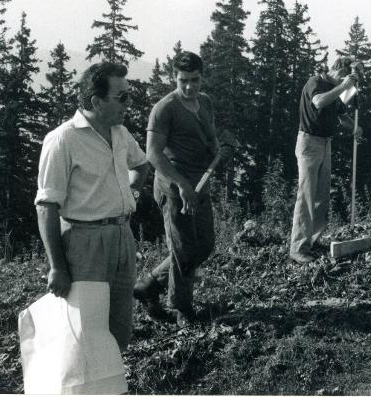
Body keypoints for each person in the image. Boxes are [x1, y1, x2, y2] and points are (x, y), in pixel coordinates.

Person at [35, 62, 149, 352]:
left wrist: (129, 190)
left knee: (120, 328)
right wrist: (57, 267)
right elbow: (47, 206)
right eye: (122, 97)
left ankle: (113, 376)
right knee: (84, 331)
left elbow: (141, 164)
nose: (129, 103)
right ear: (96, 101)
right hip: (84, 243)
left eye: (129, 95)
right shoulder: (63, 140)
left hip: (123, 237)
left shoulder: (120, 133)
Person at [133, 51, 232, 326]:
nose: (189, 86)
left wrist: (221, 151)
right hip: (173, 188)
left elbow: (210, 140)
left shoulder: (205, 102)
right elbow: (153, 154)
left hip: (200, 185)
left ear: (202, 77)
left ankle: (149, 285)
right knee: (185, 249)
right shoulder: (164, 109)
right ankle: (181, 309)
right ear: (174, 77)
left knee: (205, 245)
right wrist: (182, 184)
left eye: (194, 80)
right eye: (183, 80)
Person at [290, 57, 364, 264]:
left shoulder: (336, 88)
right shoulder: (316, 82)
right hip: (308, 142)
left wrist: (354, 127)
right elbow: (319, 102)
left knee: (322, 195)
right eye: (345, 78)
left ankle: (313, 241)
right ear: (339, 72)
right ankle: (298, 248)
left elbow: (342, 115)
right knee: (306, 195)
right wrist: (344, 86)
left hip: (326, 142)